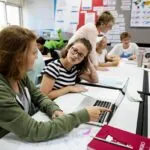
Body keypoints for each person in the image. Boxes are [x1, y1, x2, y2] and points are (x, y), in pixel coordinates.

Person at [0, 25, 110, 142]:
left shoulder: (19, 75)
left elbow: (39, 97)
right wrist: (81, 116)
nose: (37, 56)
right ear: (18, 57)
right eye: (33, 52)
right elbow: (34, 131)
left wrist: (54, 110)